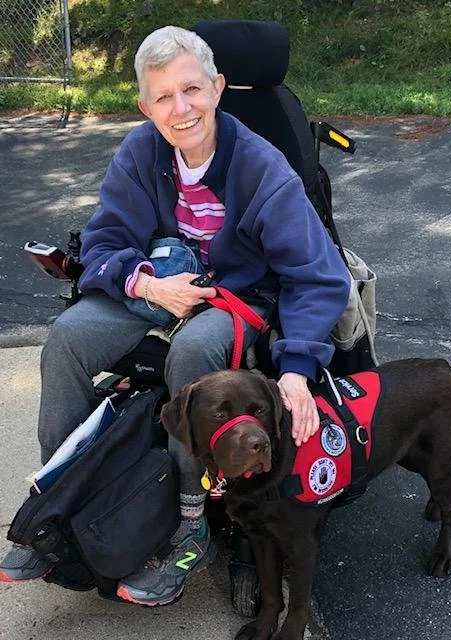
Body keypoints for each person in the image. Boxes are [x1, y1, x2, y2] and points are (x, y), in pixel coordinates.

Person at [0, 26, 351, 605]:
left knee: (192, 357)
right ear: (144, 105)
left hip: (237, 298)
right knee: (65, 337)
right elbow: (107, 240)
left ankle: (190, 527)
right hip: (158, 289)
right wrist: (147, 284)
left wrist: (296, 368)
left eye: (191, 90)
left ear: (216, 88)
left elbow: (318, 276)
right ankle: (60, 501)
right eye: (163, 96)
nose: (180, 108)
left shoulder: (261, 167)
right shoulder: (142, 150)